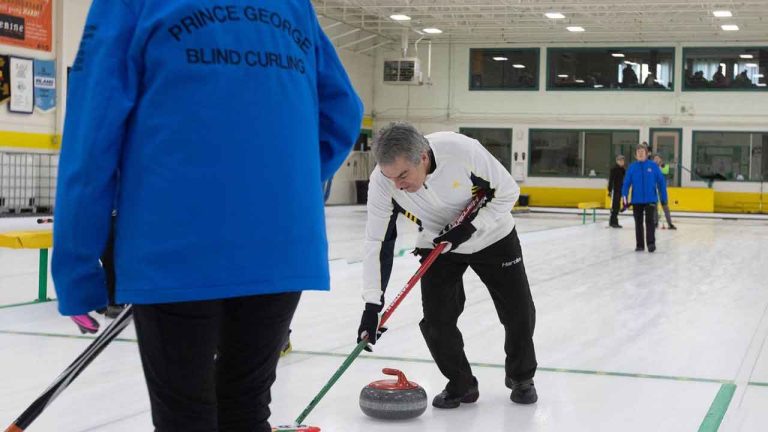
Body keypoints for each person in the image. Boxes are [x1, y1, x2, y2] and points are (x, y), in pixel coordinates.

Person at [52, 1, 363, 431]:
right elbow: (343, 113)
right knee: (245, 407)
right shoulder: (292, 6)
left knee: (186, 416)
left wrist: (77, 267)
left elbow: (91, 137)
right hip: (281, 244)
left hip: (174, 243)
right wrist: (282, 188)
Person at [357, 122, 538, 409]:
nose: (398, 185)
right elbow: (377, 242)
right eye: (391, 177)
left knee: (519, 313)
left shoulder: (460, 150)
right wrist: (371, 305)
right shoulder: (383, 182)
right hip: (438, 241)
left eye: (403, 175)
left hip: (494, 236)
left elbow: (507, 191)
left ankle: (521, 376)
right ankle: (461, 383)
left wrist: (470, 228)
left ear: (423, 158)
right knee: (437, 321)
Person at [621, 144, 668, 252]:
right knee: (638, 223)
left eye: (642, 152)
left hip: (650, 199)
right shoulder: (632, 167)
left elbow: (661, 182)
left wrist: (663, 198)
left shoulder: (653, 166)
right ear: (635, 155)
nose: (640, 154)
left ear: (647, 154)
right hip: (636, 200)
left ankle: (651, 244)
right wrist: (624, 200)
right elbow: (626, 184)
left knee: (649, 221)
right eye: (638, 152)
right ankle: (640, 245)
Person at [652, 154, 676, 230]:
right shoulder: (651, 167)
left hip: (662, 190)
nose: (656, 160)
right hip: (653, 189)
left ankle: (670, 223)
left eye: (658, 158)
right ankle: (655, 222)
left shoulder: (663, 167)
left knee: (665, 206)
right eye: (655, 158)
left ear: (660, 160)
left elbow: (667, 172)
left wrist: (663, 166)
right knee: (654, 207)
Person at [607, 155, 626, 228]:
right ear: (617, 161)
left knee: (617, 206)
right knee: (614, 206)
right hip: (615, 190)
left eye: (623, 160)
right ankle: (612, 222)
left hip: (620, 190)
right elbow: (611, 180)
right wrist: (610, 190)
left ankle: (615, 221)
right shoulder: (614, 169)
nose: (622, 162)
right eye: (620, 160)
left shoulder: (622, 169)